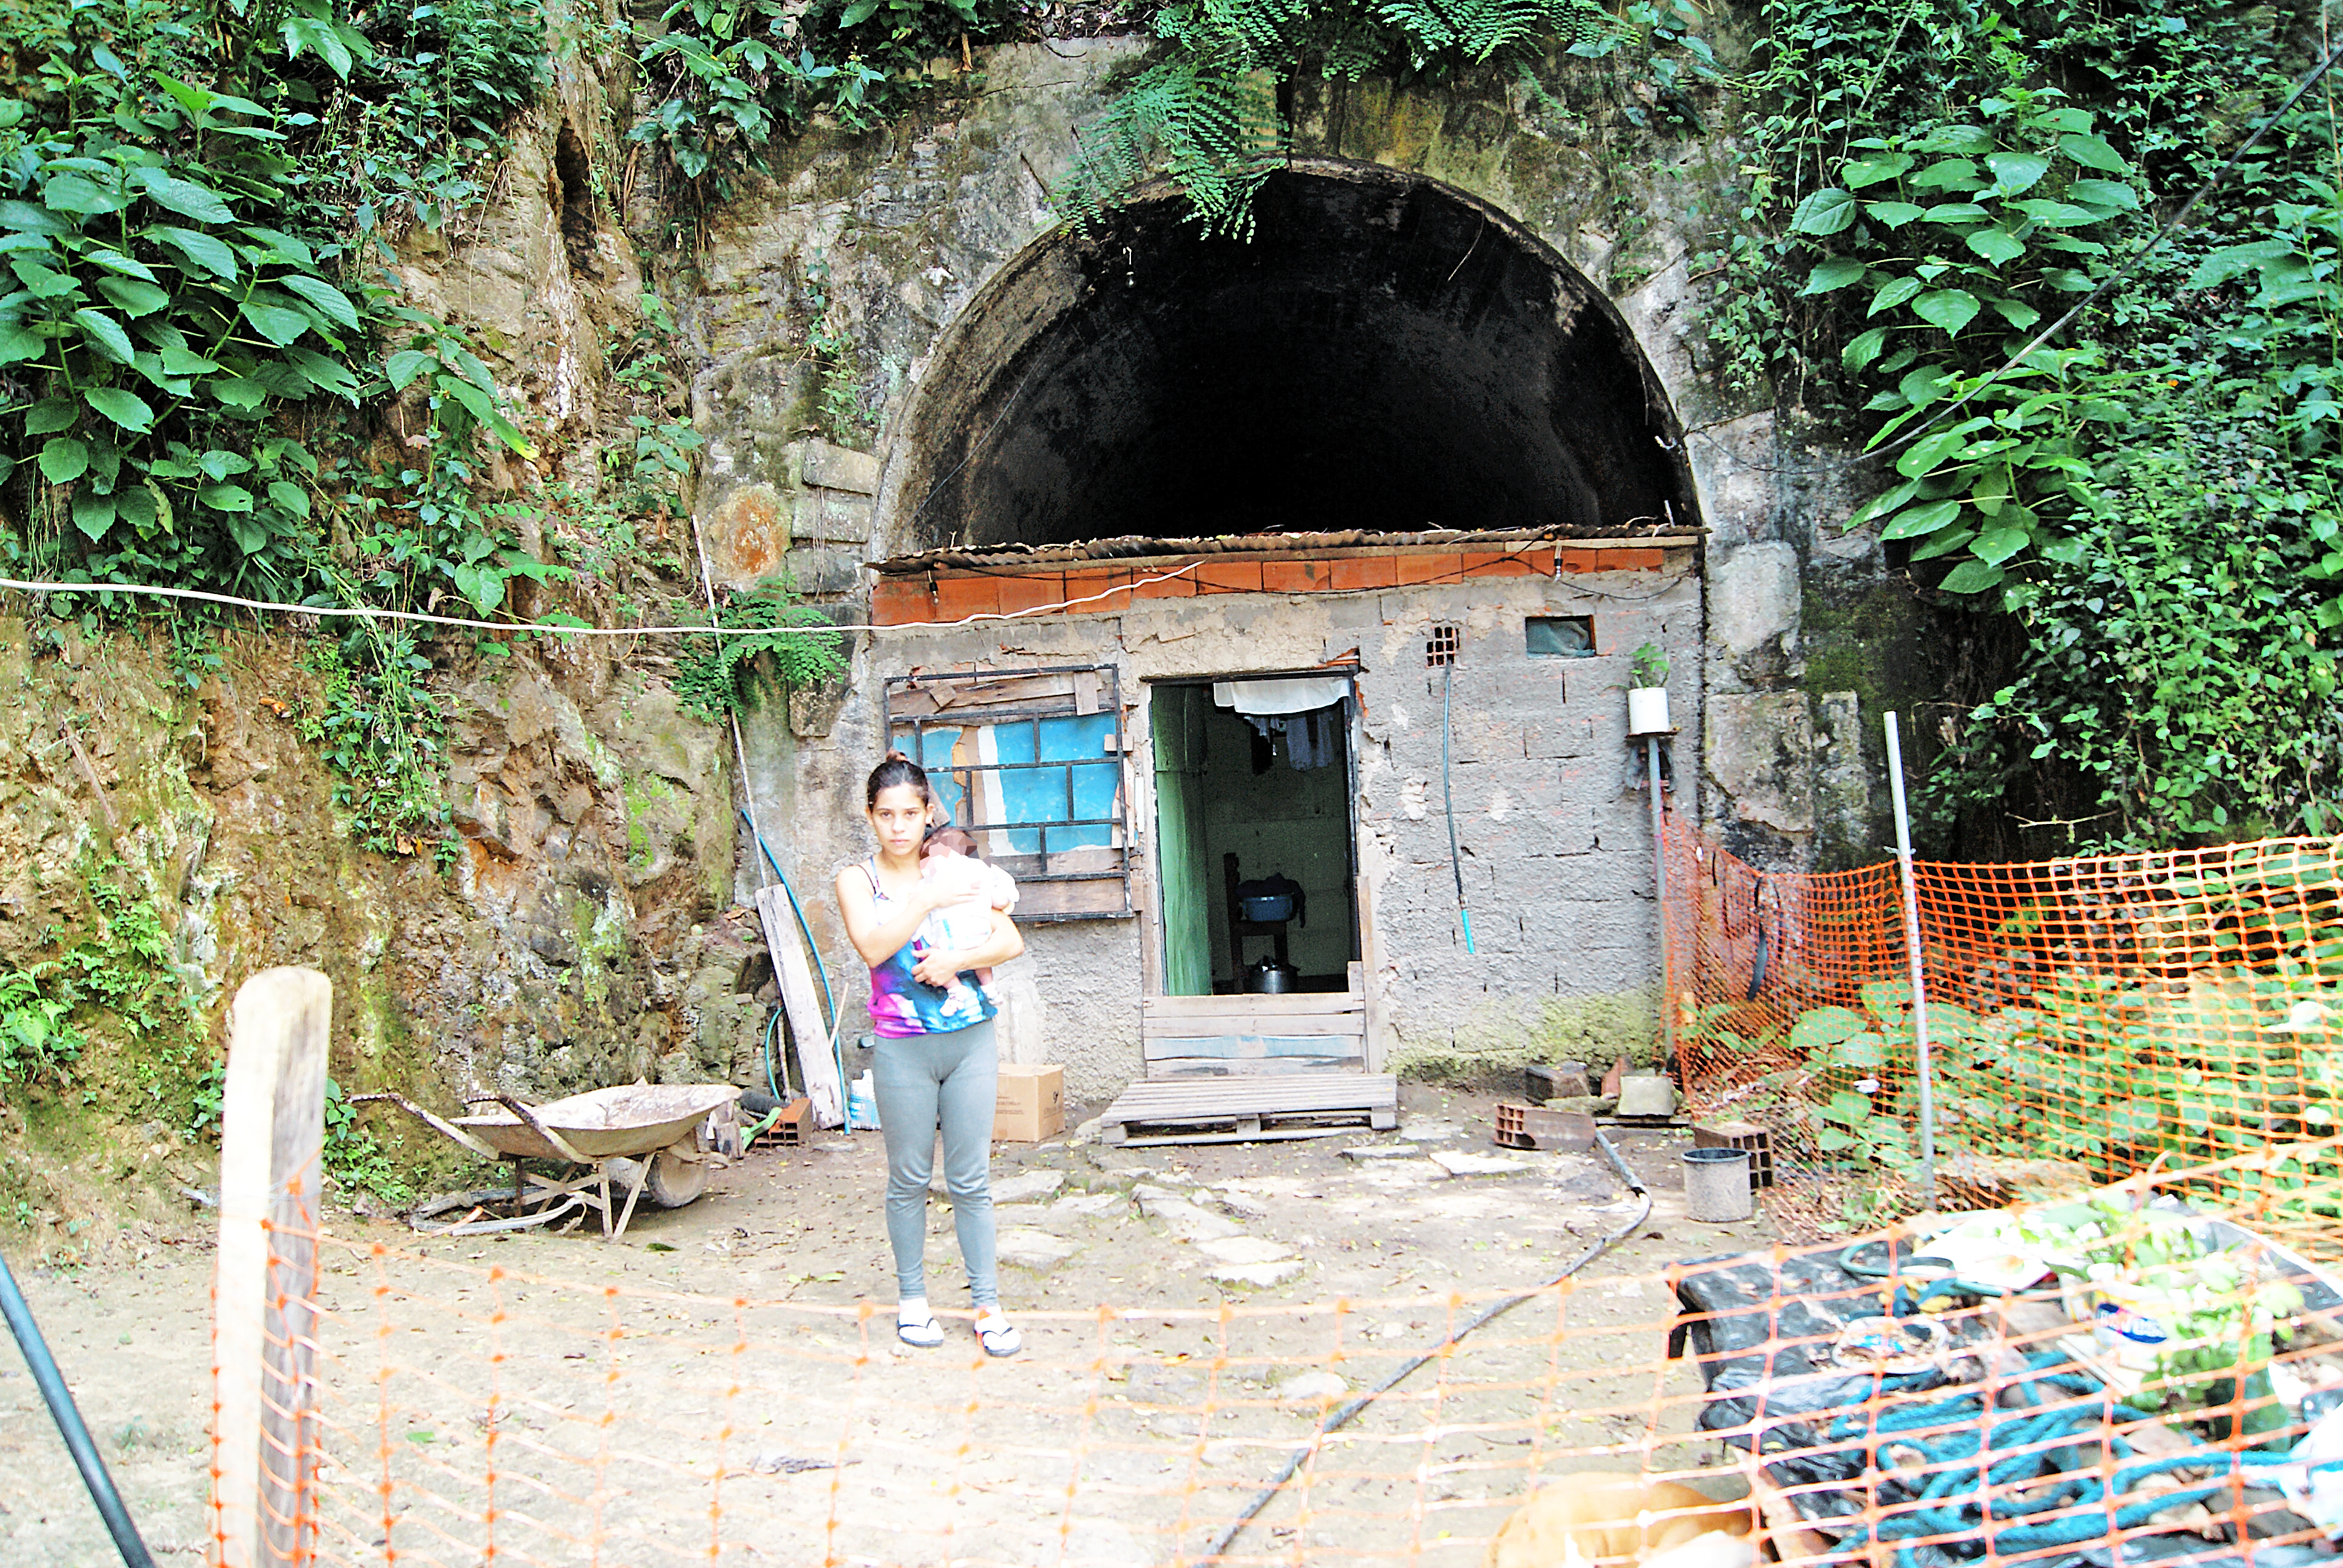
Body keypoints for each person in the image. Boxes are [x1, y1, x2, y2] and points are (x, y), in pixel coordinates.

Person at [835, 753, 1027, 1356]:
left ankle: (987, 1307)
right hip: (902, 1049)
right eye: (886, 815)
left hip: (970, 1041)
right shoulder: (856, 880)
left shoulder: (957, 871)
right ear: (870, 816)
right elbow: (872, 946)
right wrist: (924, 896)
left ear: (926, 815)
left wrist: (956, 962)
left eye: (910, 814)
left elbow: (1009, 938)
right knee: (909, 1178)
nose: (898, 827)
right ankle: (913, 1301)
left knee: (970, 1178)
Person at [917, 826, 1019, 1008]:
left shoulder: (969, 875)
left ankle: (956, 989)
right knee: (981, 961)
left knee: (931, 956)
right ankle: (989, 987)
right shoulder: (978, 874)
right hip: (980, 933)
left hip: (951, 934)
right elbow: (1001, 901)